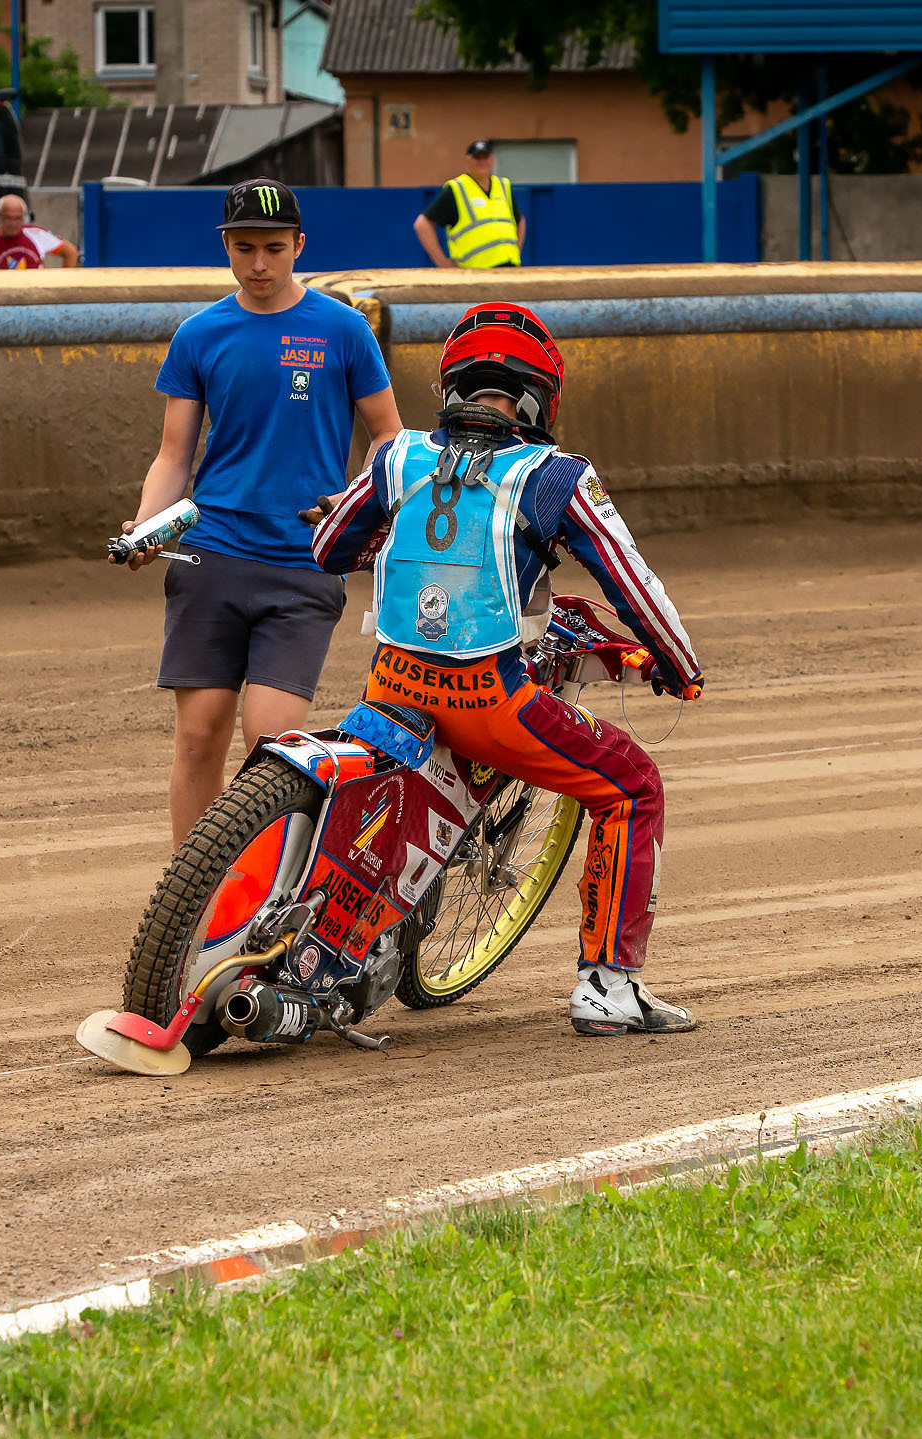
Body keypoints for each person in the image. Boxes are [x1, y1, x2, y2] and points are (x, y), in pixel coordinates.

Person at [309, 303, 706, 1037]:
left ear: (452, 383)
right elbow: (632, 584)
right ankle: (610, 988)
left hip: (390, 685)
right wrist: (681, 666)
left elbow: (330, 549)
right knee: (632, 784)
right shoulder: (554, 475)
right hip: (491, 700)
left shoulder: (395, 456)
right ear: (541, 397)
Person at [121, 179, 405, 847]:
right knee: (198, 738)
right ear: (224, 245)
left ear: (299, 246)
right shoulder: (199, 336)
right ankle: (197, 909)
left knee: (272, 747)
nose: (258, 263)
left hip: (304, 562)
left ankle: (263, 896)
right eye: (243, 247)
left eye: (274, 248)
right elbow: (173, 455)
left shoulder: (344, 329)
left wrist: (358, 500)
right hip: (209, 554)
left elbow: (390, 437)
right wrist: (144, 524)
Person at [413, 139, 524, 269]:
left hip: (510, 269)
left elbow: (520, 221)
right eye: (477, 157)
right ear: (468, 160)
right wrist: (443, 263)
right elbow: (422, 224)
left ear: (492, 159)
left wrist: (515, 251)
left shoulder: (503, 186)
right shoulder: (457, 189)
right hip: (475, 273)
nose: (482, 161)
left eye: (485, 157)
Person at [0, 194, 77, 269]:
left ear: (24, 217)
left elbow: (71, 252)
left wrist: (63, 285)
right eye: (8, 218)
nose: (13, 224)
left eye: (17, 218)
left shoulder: (36, 234)